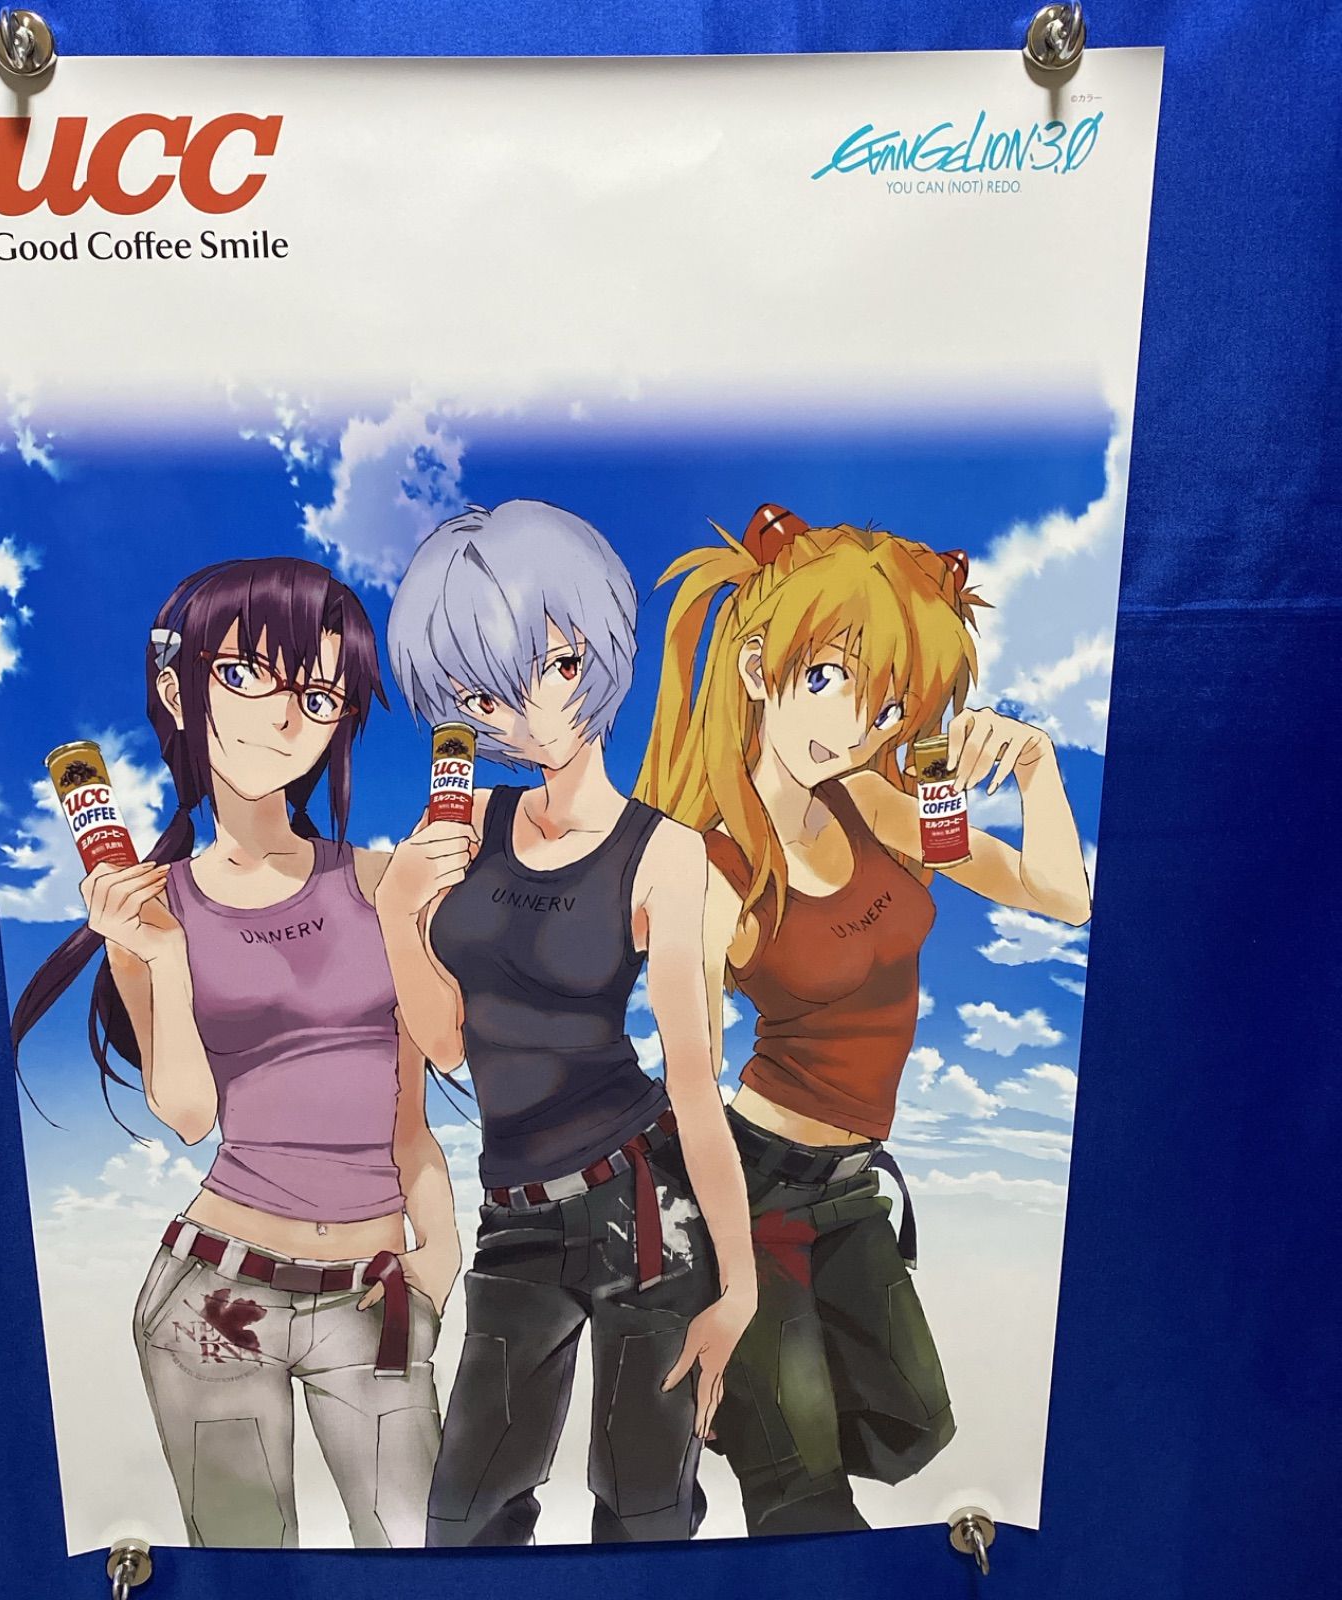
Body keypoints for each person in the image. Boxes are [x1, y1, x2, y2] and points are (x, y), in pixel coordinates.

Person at [635, 504, 1092, 1534]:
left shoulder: (873, 804)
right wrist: (733, 1281)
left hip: (848, 1191)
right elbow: (692, 1089)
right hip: (750, 1190)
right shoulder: (714, 873)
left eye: (887, 707)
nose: (858, 729)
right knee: (801, 1492)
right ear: (759, 669)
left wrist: (1035, 767)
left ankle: (755, 1418)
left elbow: (1062, 896)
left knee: (911, 1427)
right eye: (830, 681)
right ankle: (751, 1427)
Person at [10, 557, 458, 1549]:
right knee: (250, 1572)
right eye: (247, 676)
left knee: (420, 1556)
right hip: (214, 1296)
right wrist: (160, 957)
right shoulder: (155, 906)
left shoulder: (378, 879)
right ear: (179, 693)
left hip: (374, 1292)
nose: (285, 717)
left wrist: (441, 1251)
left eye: (320, 694)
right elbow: (186, 1115)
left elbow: (418, 1095)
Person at [376, 499, 757, 1546]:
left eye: (551, 666)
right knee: (464, 1516)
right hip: (515, 1214)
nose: (526, 712)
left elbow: (693, 1084)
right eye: (481, 695)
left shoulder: (664, 851)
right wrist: (396, 912)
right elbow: (447, 1044)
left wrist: (738, 1286)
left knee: (644, 1509)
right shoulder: (461, 824)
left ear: (597, 652)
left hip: (642, 1205)